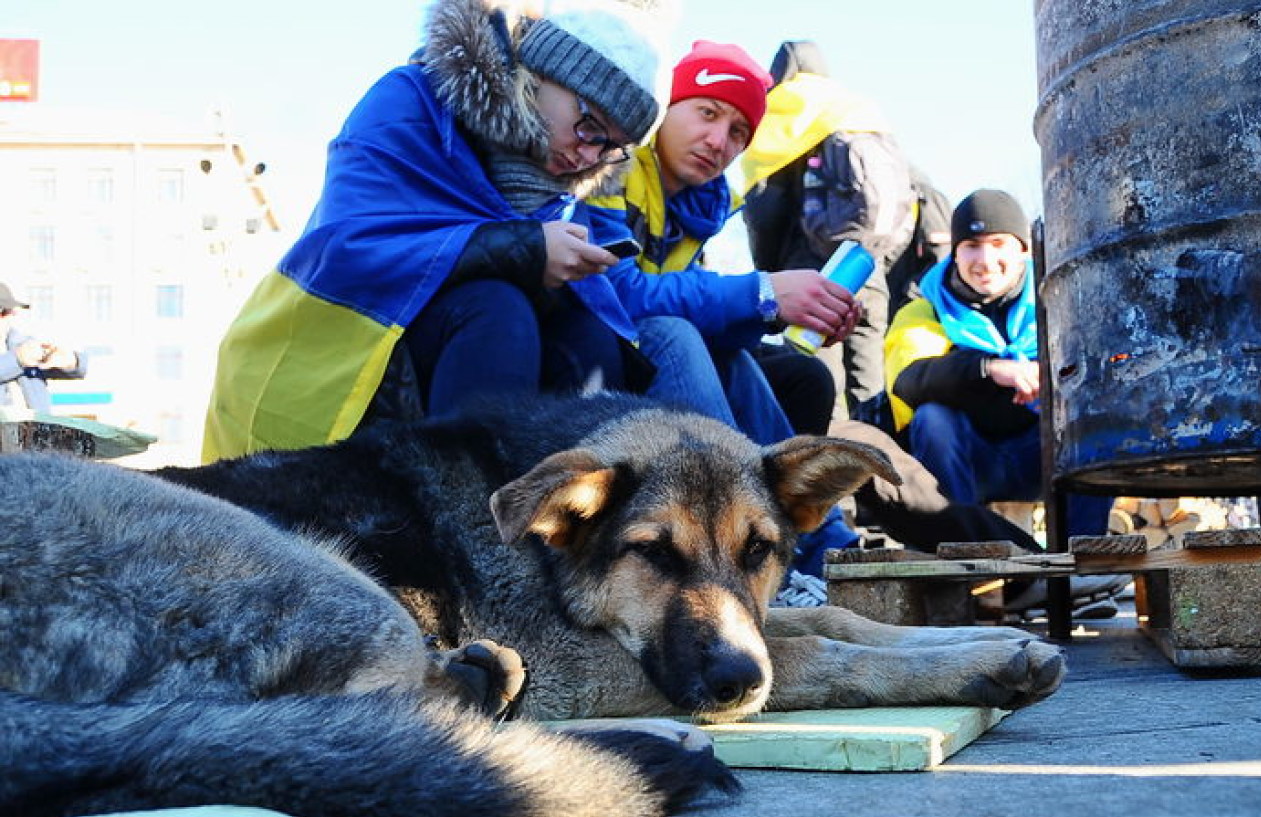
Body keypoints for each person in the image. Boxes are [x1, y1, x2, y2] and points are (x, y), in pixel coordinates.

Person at [202, 0, 671, 462]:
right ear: (543, 73)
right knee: (495, 308)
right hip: (333, 353)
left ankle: (569, 521)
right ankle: (471, 522)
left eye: (612, 147)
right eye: (589, 125)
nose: (589, 157)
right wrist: (528, 251)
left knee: (588, 333)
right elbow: (348, 247)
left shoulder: (562, 189)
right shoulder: (407, 99)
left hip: (441, 362)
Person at [585, 40, 863, 581]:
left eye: (738, 131)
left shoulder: (704, 205)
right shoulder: (614, 160)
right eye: (707, 113)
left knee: (760, 365)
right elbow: (620, 296)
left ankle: (827, 552)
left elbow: (697, 300)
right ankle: (739, 530)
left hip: (645, 347)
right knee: (673, 333)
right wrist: (761, 294)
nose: (719, 141)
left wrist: (786, 310)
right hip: (584, 341)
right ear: (666, 107)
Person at [881, 188, 1123, 615]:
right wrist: (990, 368)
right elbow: (909, 381)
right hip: (970, 464)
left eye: (999, 244)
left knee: (1094, 413)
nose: (985, 260)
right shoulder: (924, 307)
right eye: (971, 246)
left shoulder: (1061, 298)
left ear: (1024, 250)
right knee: (933, 418)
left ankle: (1082, 567)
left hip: (1047, 456)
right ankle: (965, 571)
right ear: (955, 254)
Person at [740, 40, 919, 420]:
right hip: (867, 265)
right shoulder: (854, 109)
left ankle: (828, 462)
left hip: (810, 269)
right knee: (868, 376)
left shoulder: (785, 109)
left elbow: (765, 207)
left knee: (817, 376)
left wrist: (771, 274)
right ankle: (877, 461)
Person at [0, 283, 87, 413]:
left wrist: (71, 361)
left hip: (36, 431)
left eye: (9, 310)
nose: (10, 315)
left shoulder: (22, 344)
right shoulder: (21, 351)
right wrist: (16, 359)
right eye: (3, 311)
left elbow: (81, 369)